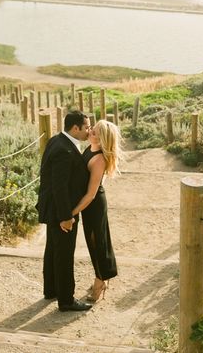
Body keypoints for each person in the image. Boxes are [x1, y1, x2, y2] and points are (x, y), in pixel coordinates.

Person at [36, 110, 92, 312]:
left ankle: (51, 290)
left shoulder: (56, 140)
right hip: (60, 211)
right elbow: (59, 187)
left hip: (53, 209)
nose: (89, 131)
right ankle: (66, 300)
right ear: (75, 128)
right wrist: (66, 217)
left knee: (52, 249)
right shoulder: (64, 150)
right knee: (64, 254)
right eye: (86, 127)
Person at [71, 119, 123, 303]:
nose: (90, 131)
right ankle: (103, 276)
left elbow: (91, 194)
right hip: (90, 204)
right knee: (94, 240)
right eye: (92, 128)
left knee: (97, 243)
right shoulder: (90, 149)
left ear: (101, 140)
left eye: (95, 132)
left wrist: (72, 213)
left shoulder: (99, 158)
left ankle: (100, 281)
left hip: (94, 205)